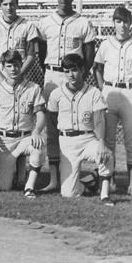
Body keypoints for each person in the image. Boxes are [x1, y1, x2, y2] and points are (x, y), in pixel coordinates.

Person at [37, 0, 96, 192]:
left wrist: (80, 76)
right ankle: (54, 178)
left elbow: (89, 54)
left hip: (75, 78)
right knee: (52, 129)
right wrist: (51, 72)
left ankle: (81, 174)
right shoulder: (46, 22)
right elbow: (42, 51)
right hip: (52, 76)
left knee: (77, 125)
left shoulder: (82, 23)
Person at [0, 0, 39, 186]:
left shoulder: (28, 25)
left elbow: (31, 54)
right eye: (5, 4)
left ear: (17, 4)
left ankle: (22, 175)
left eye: (12, 3)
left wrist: (18, 74)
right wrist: (0, 77)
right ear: (0, 5)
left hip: (19, 77)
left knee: (22, 120)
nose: (9, 7)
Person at [94, 6, 132, 198]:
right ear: (113, 23)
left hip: (129, 92)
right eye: (118, 21)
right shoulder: (105, 44)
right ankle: (108, 180)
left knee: (131, 139)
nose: (122, 25)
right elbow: (97, 68)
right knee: (108, 139)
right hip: (110, 91)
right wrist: (103, 87)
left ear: (131, 23)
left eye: (126, 21)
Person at [46, 54, 113, 204]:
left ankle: (104, 194)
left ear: (82, 69)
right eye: (67, 71)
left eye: (74, 70)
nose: (70, 74)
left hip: (87, 138)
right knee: (68, 193)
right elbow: (51, 122)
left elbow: (99, 120)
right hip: (67, 142)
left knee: (107, 154)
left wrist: (101, 142)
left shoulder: (94, 92)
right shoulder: (56, 94)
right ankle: (90, 182)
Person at [0, 50, 45, 197]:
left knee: (38, 145)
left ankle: (29, 187)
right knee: (4, 187)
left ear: (21, 65)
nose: (13, 69)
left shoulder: (33, 88)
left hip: (24, 137)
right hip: (4, 140)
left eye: (17, 65)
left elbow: (41, 114)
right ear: (2, 67)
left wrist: (37, 131)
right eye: (9, 66)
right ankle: (17, 174)